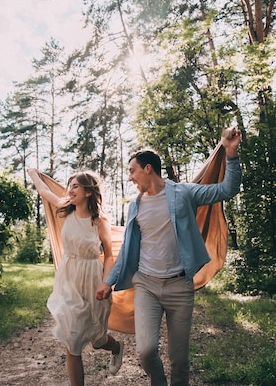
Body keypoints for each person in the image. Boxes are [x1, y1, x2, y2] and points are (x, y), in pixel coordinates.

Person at [95, 127, 242, 386]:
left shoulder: (184, 193)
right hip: (146, 285)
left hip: (179, 287)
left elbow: (227, 190)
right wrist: (109, 282)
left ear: (148, 168)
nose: (130, 177)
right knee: (146, 350)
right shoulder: (135, 207)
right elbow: (128, 248)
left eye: (132, 171)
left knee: (179, 358)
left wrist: (231, 155)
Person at [27, 168, 124, 386]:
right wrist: (33, 173)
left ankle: (116, 348)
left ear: (89, 192)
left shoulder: (100, 222)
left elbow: (108, 256)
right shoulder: (65, 209)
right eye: (69, 186)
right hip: (69, 277)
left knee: (98, 340)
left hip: (92, 280)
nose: (70, 190)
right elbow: (44, 191)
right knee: (72, 339)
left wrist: (105, 283)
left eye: (75, 186)